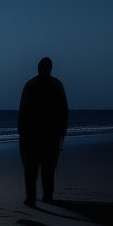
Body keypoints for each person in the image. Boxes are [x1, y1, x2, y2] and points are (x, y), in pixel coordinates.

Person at [17, 56, 68, 205]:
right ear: (38, 68)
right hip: (32, 133)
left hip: (51, 133)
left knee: (49, 167)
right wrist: (22, 132)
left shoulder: (56, 85)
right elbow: (23, 109)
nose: (44, 69)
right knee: (30, 168)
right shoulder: (30, 85)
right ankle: (31, 196)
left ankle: (47, 195)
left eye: (47, 67)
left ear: (50, 69)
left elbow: (63, 110)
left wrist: (61, 132)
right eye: (42, 66)